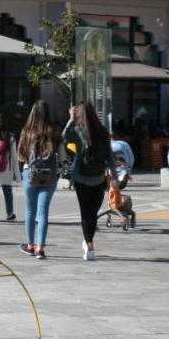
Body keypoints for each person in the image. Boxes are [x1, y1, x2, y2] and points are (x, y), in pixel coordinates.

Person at [63, 101, 115, 261]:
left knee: (85, 213)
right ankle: (89, 243)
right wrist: (114, 178)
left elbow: (63, 136)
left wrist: (71, 119)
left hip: (81, 177)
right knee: (92, 212)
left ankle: (89, 244)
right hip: (98, 177)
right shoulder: (103, 132)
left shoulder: (77, 130)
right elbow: (110, 156)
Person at [18, 101, 60, 259]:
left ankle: (30, 245)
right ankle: (40, 248)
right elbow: (61, 156)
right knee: (43, 212)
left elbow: (21, 156)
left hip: (30, 174)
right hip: (49, 176)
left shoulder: (26, 132)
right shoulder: (54, 131)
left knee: (30, 211)